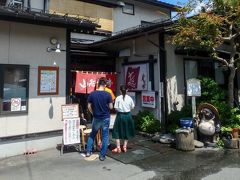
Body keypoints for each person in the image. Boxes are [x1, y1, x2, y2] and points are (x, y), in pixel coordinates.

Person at [86, 77, 113, 161]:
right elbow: (111, 107)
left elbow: (89, 106)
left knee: (93, 134)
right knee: (105, 136)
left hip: (96, 117)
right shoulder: (108, 94)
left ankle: (88, 152)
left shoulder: (92, 94)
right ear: (104, 85)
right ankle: (102, 155)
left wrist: (93, 112)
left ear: (98, 84)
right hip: (105, 117)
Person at [111, 85, 135, 153]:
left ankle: (118, 147)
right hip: (128, 115)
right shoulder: (130, 98)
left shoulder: (118, 98)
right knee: (127, 130)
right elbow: (132, 107)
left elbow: (115, 108)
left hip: (120, 115)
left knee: (117, 131)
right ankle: (124, 146)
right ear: (127, 90)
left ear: (120, 91)